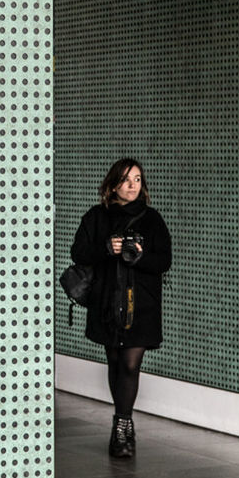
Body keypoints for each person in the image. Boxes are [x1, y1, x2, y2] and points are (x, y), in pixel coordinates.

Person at [70, 158, 172, 457]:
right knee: (115, 362)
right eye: (127, 180)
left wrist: (139, 256)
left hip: (141, 305)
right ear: (114, 183)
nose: (132, 186)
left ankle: (122, 426)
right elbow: (78, 252)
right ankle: (122, 421)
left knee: (130, 364)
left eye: (138, 179)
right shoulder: (96, 217)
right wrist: (106, 247)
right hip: (106, 302)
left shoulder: (152, 219)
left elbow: (164, 261)